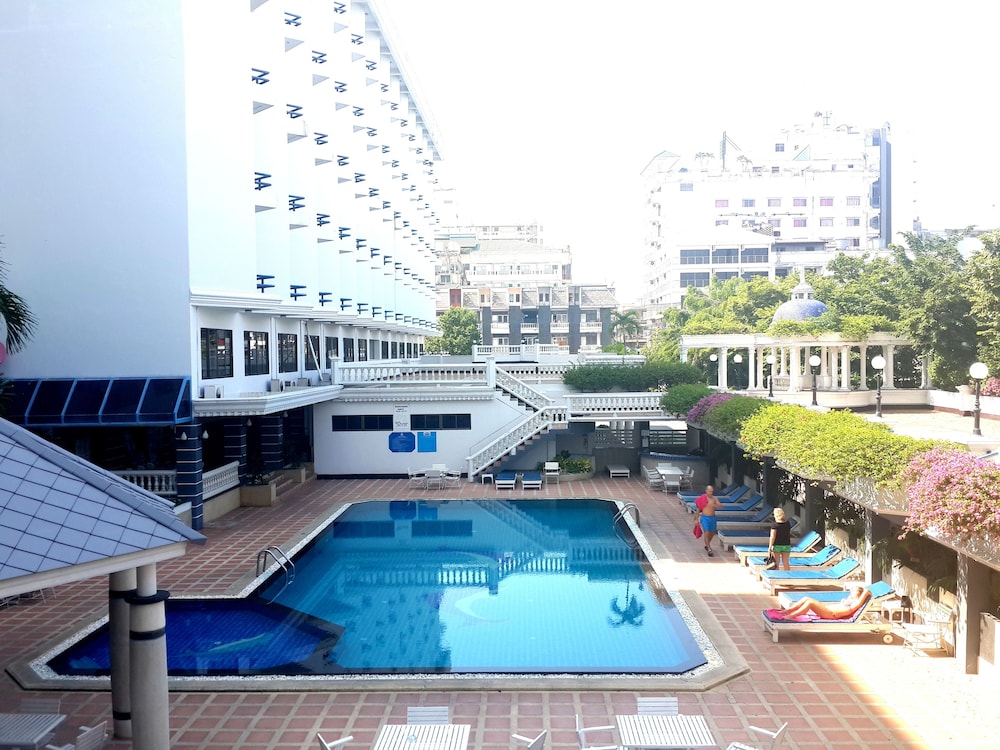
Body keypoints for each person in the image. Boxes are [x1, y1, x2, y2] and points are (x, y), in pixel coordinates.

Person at [779, 585, 871, 620]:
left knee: (810, 603)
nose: (851, 592)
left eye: (854, 591)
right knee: (806, 598)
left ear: (858, 594)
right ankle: (789, 610)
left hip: (831, 614)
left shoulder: (856, 603)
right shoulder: (851, 599)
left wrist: (865, 593)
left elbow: (866, 592)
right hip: (827, 610)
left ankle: (792, 616)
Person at [696, 485, 722, 556]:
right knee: (706, 532)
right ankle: (709, 549)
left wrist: (714, 505)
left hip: (712, 518)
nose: (711, 493)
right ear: (706, 491)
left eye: (712, 491)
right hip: (705, 518)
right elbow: (698, 509)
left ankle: (707, 544)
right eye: (710, 491)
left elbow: (721, 506)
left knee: (712, 533)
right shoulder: (703, 498)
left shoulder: (714, 498)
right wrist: (696, 519)